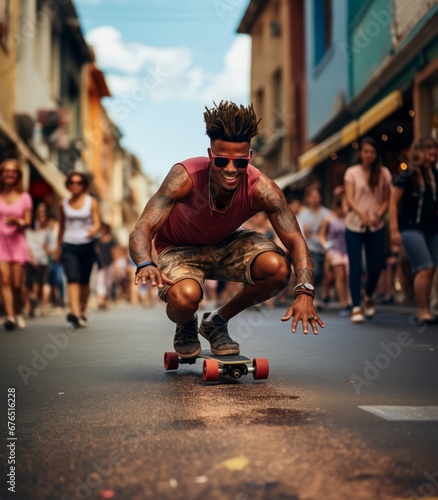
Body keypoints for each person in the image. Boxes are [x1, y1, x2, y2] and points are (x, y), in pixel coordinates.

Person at [129, 101, 324, 358]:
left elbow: (296, 241)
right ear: (211, 156)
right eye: (221, 161)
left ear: (249, 158)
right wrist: (145, 264)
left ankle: (216, 322)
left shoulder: (263, 189)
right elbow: (144, 226)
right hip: (179, 250)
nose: (231, 169)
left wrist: (305, 290)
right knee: (185, 298)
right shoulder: (184, 177)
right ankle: (186, 323)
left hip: (226, 244)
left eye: (240, 163)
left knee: (278, 269)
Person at [389, 137, 438, 325]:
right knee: (424, 267)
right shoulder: (408, 174)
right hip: (410, 228)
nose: (432, 157)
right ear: (418, 152)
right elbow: (393, 202)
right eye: (429, 153)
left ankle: (427, 307)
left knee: (432, 268)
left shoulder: (434, 173)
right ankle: (422, 310)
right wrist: (394, 230)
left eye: (434, 154)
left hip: (432, 228)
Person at [344, 137, 392, 324]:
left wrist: (378, 214)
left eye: (372, 152)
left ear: (376, 154)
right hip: (354, 225)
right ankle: (356, 306)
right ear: (361, 153)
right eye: (365, 151)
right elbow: (349, 197)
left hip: (376, 225)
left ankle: (369, 295)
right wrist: (362, 214)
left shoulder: (384, 173)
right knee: (355, 266)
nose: (368, 155)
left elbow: (388, 199)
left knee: (375, 266)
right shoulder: (352, 172)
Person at [57, 171, 101, 328]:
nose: (75, 185)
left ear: (84, 185)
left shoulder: (91, 202)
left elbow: (97, 223)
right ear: (68, 185)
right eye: (72, 182)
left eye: (79, 183)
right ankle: (75, 313)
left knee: (84, 281)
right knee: (72, 278)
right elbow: (62, 226)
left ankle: (82, 312)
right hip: (69, 245)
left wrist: (92, 231)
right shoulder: (63, 203)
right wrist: (58, 248)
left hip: (87, 245)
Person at [0, 159, 33, 330]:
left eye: (13, 171)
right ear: (2, 175)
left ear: (18, 175)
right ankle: (10, 316)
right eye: (6, 171)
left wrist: (18, 222)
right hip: (1, 242)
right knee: (4, 280)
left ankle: (18, 311)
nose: (9, 174)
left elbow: (28, 222)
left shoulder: (25, 197)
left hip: (17, 242)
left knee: (17, 284)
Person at [297, 187, 331, 307]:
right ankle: (314, 298)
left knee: (324, 274)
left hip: (325, 248)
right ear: (308, 199)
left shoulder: (326, 213)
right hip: (310, 248)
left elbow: (328, 232)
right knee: (314, 273)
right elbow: (303, 232)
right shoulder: (304, 214)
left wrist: (314, 233)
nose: (315, 199)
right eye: (313, 197)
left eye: (317, 196)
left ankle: (322, 295)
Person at [319, 191, 351, 315]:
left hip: (348, 250)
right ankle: (344, 304)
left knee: (349, 276)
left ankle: (351, 302)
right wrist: (326, 248)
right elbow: (322, 235)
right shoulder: (329, 218)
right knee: (340, 277)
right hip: (334, 250)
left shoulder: (349, 217)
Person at [24, 204, 51, 317]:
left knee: (34, 283)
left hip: (39, 260)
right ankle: (38, 306)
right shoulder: (35, 230)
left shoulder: (44, 231)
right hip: (37, 259)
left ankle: (32, 304)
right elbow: (28, 244)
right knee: (39, 283)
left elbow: (46, 247)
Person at [94, 223, 116, 310]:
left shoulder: (111, 240)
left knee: (108, 282)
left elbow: (114, 252)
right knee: (100, 281)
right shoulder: (97, 240)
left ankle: (106, 300)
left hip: (109, 263)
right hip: (99, 264)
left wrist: (115, 264)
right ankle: (101, 300)